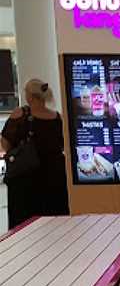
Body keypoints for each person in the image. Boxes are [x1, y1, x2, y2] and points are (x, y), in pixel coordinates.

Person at [1, 79, 69, 229]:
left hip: (25, 181)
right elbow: (64, 144)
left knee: (24, 227)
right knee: (54, 225)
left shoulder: (20, 114)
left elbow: (5, 144)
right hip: (55, 179)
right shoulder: (58, 118)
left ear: (30, 96)